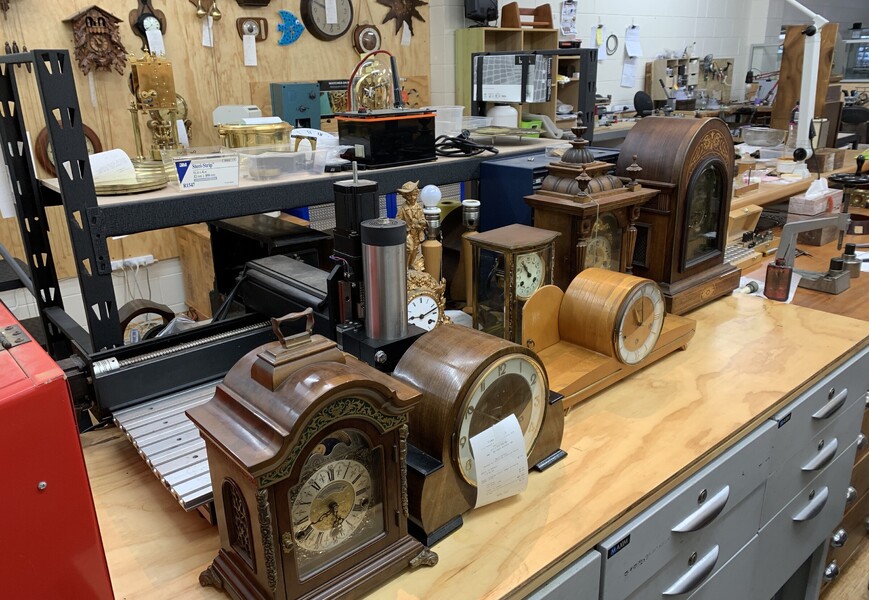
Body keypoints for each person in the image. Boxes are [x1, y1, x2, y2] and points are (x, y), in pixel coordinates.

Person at [396, 180, 426, 272]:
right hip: (407, 233)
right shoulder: (402, 209)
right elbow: (398, 222)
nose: (412, 198)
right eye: (409, 195)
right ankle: (405, 267)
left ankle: (411, 264)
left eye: (414, 195)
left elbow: (423, 219)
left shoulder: (418, 207)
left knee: (415, 249)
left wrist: (422, 222)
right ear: (405, 196)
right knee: (409, 248)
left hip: (416, 233)